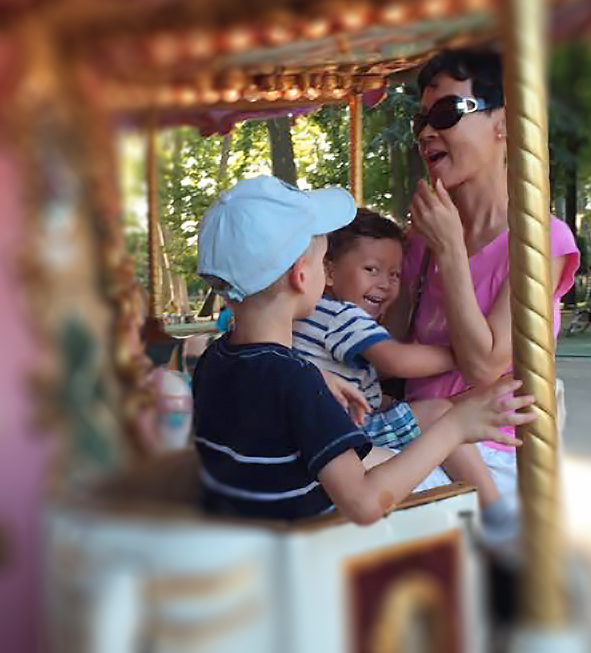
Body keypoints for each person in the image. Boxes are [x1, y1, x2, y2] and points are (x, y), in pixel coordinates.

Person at [193, 175, 536, 523]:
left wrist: (318, 376)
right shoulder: (299, 382)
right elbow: (363, 504)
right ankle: (500, 525)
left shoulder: (214, 359)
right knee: (437, 488)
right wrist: (455, 427)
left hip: (244, 527)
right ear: (301, 275)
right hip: (308, 539)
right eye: (322, 260)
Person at [387, 48, 580, 514]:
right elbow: (389, 350)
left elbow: (484, 368)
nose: (427, 132)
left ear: (504, 123)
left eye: (446, 113)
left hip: (490, 453)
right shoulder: (420, 240)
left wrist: (451, 251)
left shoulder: (540, 240)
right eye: (421, 121)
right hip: (416, 435)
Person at [293, 208, 520, 542]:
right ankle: (494, 508)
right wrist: (466, 355)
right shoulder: (340, 315)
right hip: (347, 430)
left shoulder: (313, 314)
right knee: (440, 413)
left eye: (395, 274)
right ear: (329, 272)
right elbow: (396, 360)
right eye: (371, 269)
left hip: (333, 423)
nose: (384, 284)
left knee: (421, 409)